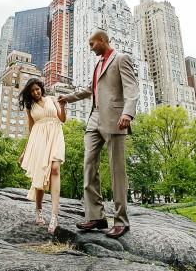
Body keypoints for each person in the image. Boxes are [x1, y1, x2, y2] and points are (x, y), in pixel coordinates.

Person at [58, 30, 139, 239]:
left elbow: (132, 88)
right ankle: (96, 216)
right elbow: (89, 90)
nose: (90, 48)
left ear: (103, 41)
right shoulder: (97, 65)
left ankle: (121, 221)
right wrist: (67, 98)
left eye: (92, 44)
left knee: (116, 171)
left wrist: (128, 113)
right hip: (94, 119)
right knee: (89, 165)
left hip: (115, 119)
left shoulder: (121, 59)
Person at [18, 78, 66, 234]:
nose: (35, 92)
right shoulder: (30, 107)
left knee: (54, 169)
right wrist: (25, 151)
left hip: (55, 134)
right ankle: (38, 213)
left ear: (41, 88)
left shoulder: (52, 99)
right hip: (39, 140)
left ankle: (54, 216)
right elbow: (30, 129)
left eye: (37, 89)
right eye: (32, 91)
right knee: (40, 174)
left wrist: (63, 107)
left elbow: (62, 119)